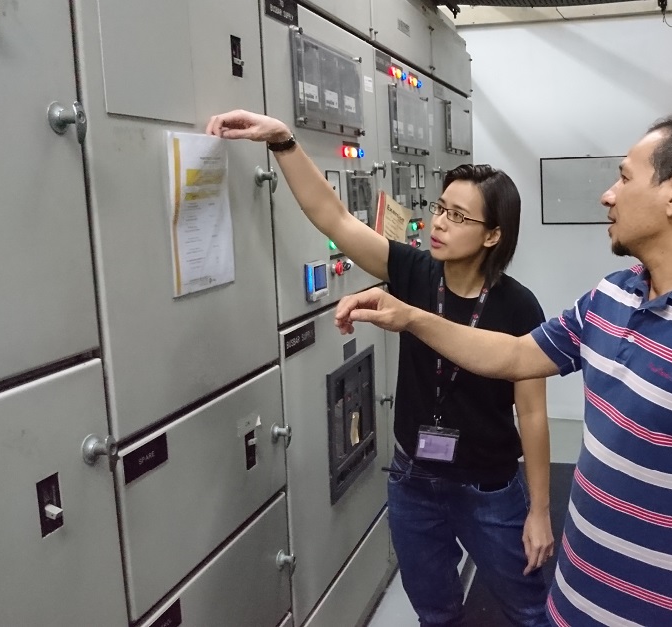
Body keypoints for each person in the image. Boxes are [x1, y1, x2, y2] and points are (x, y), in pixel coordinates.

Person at [334, 111, 672, 627]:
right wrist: (410, 317)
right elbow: (514, 356)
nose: (608, 194)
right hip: (577, 600)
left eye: (624, 177)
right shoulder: (612, 296)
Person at [206, 111, 554, 627]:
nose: (438, 223)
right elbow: (334, 219)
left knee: (531, 611)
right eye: (440, 209)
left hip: (487, 487)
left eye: (458, 217)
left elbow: (533, 416)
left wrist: (541, 511)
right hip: (414, 480)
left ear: (491, 236)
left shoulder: (518, 308)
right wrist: (282, 140)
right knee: (436, 613)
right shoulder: (414, 271)